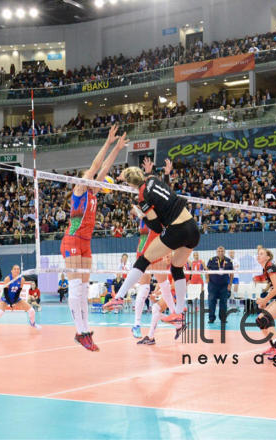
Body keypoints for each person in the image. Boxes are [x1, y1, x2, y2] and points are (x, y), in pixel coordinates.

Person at [104, 164, 201, 326]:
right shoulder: (153, 179)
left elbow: (156, 226)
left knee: (143, 260)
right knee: (176, 268)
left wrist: (142, 215)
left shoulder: (142, 197)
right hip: (192, 228)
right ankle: (178, 312)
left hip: (177, 229)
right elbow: (166, 192)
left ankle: (119, 297)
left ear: (130, 184)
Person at [60, 125, 127, 351]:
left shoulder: (94, 192)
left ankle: (86, 330)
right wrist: (107, 143)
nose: (95, 178)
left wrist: (117, 149)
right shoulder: (80, 189)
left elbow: (104, 168)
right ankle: (79, 331)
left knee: (85, 287)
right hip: (72, 240)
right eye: (91, 177)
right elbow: (96, 166)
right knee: (76, 286)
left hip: (86, 243)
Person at [130, 157, 176, 339]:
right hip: (143, 248)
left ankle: (175, 315)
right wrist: (148, 173)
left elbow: (165, 193)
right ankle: (136, 324)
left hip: (157, 248)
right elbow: (144, 189)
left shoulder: (160, 212)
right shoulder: (144, 205)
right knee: (143, 288)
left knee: (163, 283)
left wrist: (166, 175)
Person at [0, 265, 40, 334]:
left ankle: (33, 323)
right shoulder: (8, 279)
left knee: (31, 310)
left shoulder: (22, 279)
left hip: (15, 298)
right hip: (5, 299)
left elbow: (18, 292)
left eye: (18, 269)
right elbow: (6, 293)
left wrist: (14, 302)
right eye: (15, 269)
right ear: (11, 271)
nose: (16, 270)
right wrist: (10, 304)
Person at [206, 246, 233, 324]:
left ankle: (223, 318)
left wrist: (230, 285)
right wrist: (207, 279)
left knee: (223, 302)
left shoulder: (229, 261)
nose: (220, 252)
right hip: (212, 285)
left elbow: (232, 274)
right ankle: (211, 318)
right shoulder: (212, 260)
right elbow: (207, 270)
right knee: (211, 301)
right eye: (219, 251)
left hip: (224, 285)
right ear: (217, 252)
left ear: (224, 252)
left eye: (222, 251)